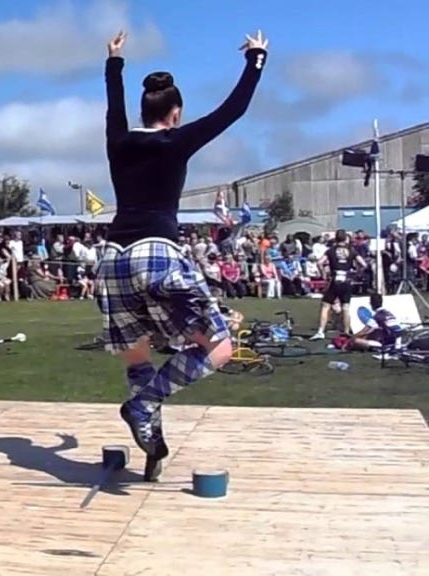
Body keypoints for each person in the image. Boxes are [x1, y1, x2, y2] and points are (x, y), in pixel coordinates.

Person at [95, 29, 268, 480]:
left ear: (143, 110)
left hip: (112, 258)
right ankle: (146, 404)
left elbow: (114, 106)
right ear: (175, 115)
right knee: (221, 346)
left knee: (137, 355)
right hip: (156, 251)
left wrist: (114, 62)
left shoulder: (119, 140)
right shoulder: (176, 140)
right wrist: (256, 59)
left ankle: (149, 429)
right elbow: (235, 109)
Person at [311, 229, 366, 340]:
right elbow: (364, 264)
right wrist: (357, 273)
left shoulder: (331, 250)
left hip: (335, 279)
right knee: (346, 307)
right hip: (347, 279)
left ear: (335, 238)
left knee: (326, 305)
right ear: (346, 238)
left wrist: (323, 274)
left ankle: (321, 331)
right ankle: (346, 332)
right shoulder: (352, 250)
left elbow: (319, 262)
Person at [346, 292, 403, 357]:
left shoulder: (376, 317)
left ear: (371, 303)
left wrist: (351, 338)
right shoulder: (388, 313)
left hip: (387, 343)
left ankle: (375, 347)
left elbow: (363, 331)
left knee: (356, 341)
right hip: (397, 340)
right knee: (373, 332)